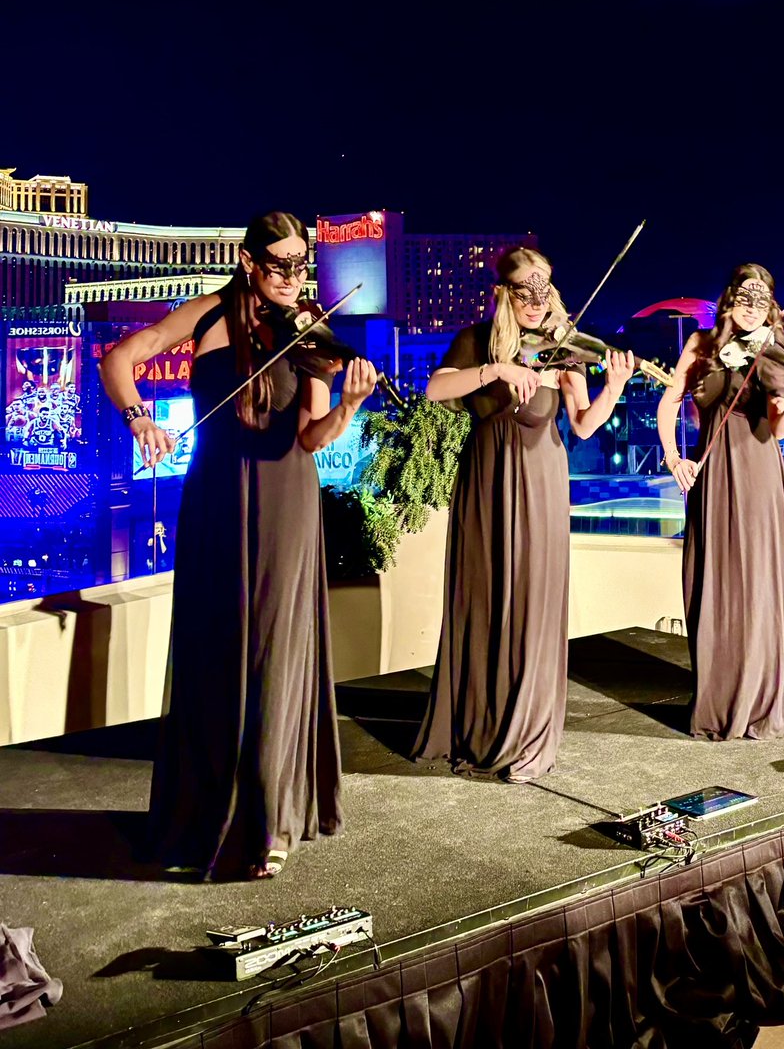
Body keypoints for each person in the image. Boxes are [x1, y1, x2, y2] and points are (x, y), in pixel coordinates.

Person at [100, 212, 377, 879]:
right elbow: (119, 359)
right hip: (215, 498)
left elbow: (311, 436)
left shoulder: (309, 330)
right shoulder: (206, 314)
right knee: (214, 648)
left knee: (273, 653)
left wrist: (348, 407)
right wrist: (140, 419)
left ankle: (270, 819)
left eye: (301, 265)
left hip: (285, 501)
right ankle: (205, 809)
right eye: (279, 265)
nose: (292, 278)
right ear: (249, 262)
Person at [413, 247, 636, 781]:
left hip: (540, 481)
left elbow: (584, 424)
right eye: (524, 292)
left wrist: (614, 387)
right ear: (503, 294)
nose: (536, 302)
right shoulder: (476, 340)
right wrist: (496, 370)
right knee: (486, 597)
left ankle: (529, 734)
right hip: (486, 480)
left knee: (534, 600)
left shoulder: (563, 349)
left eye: (544, 291)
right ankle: (481, 723)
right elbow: (436, 388)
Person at [656, 263, 784, 740]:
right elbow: (669, 402)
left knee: (758, 582)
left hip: (758, 475)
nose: (752, 308)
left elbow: (780, 429)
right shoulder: (701, 345)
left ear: (771, 308)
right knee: (714, 581)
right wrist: (674, 457)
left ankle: (761, 696)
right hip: (712, 476)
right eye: (745, 297)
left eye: (762, 301)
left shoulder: (772, 353)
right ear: (729, 299)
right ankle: (721, 695)